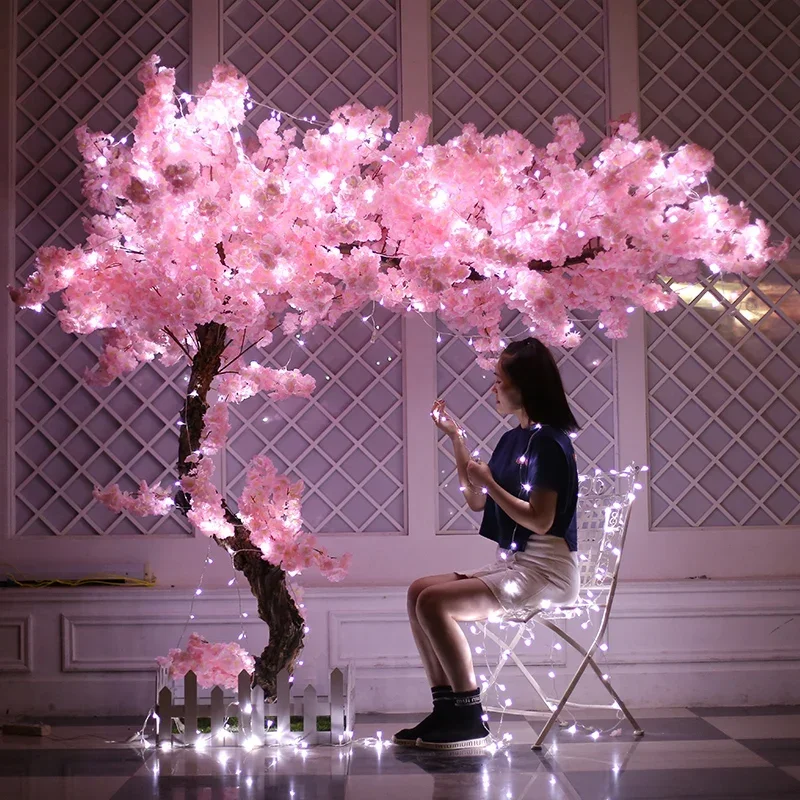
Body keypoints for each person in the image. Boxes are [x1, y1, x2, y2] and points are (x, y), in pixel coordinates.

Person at [393, 337, 581, 751]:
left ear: (525, 386)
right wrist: (457, 440)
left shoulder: (550, 443)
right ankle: (446, 708)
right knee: (418, 591)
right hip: (517, 566)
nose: (492, 388)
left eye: (499, 381)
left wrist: (491, 483)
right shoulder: (512, 440)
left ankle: (468, 715)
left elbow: (541, 519)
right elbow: (477, 499)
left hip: (547, 572)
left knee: (434, 603)